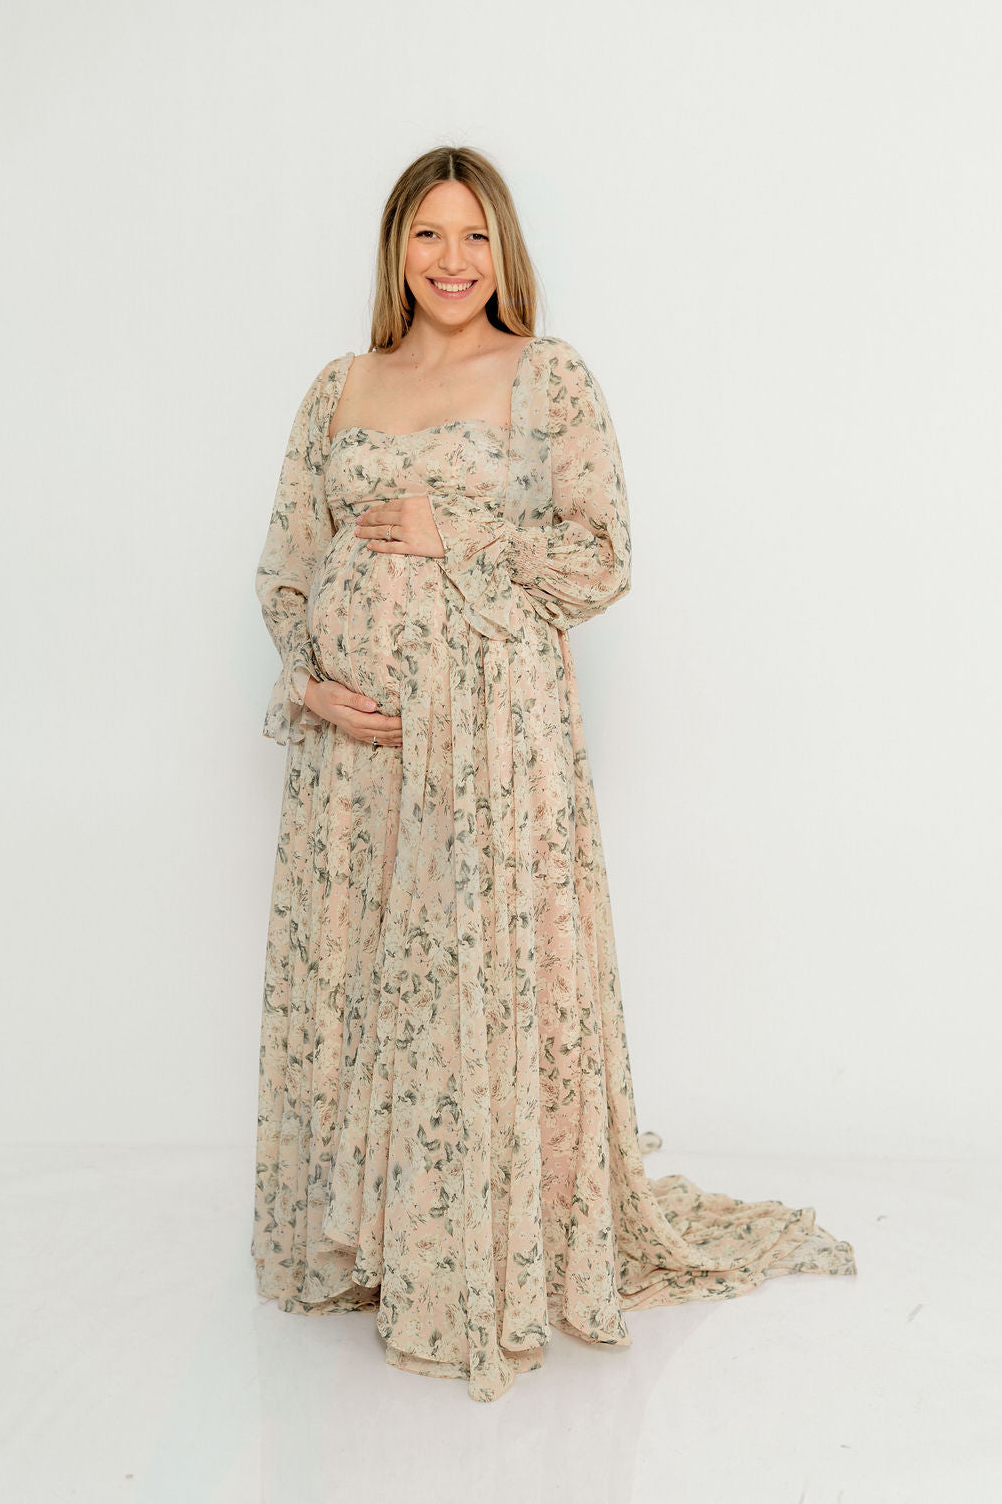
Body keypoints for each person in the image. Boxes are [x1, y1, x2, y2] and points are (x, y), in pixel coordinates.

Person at [251, 145, 856, 1403]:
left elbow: (600, 554)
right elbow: (287, 564)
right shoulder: (337, 386)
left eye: (475, 235)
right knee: (359, 977)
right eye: (429, 234)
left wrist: (456, 532)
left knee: (466, 978)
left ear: (505, 249)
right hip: (351, 760)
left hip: (490, 743)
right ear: (395, 248)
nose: (452, 260)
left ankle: (468, 1262)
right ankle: (373, 1247)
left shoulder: (547, 376)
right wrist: (309, 682)